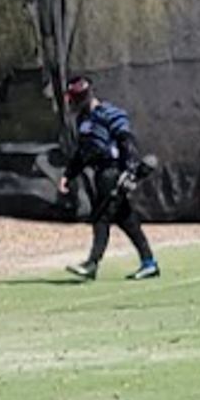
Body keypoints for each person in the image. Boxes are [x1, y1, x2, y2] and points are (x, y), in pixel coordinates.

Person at [56, 75, 160, 281]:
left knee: (101, 217)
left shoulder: (108, 114)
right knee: (126, 219)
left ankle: (92, 263)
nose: (74, 103)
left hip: (112, 172)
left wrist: (130, 169)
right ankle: (149, 263)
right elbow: (83, 153)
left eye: (77, 98)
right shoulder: (83, 120)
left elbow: (126, 141)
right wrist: (68, 175)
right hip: (99, 173)